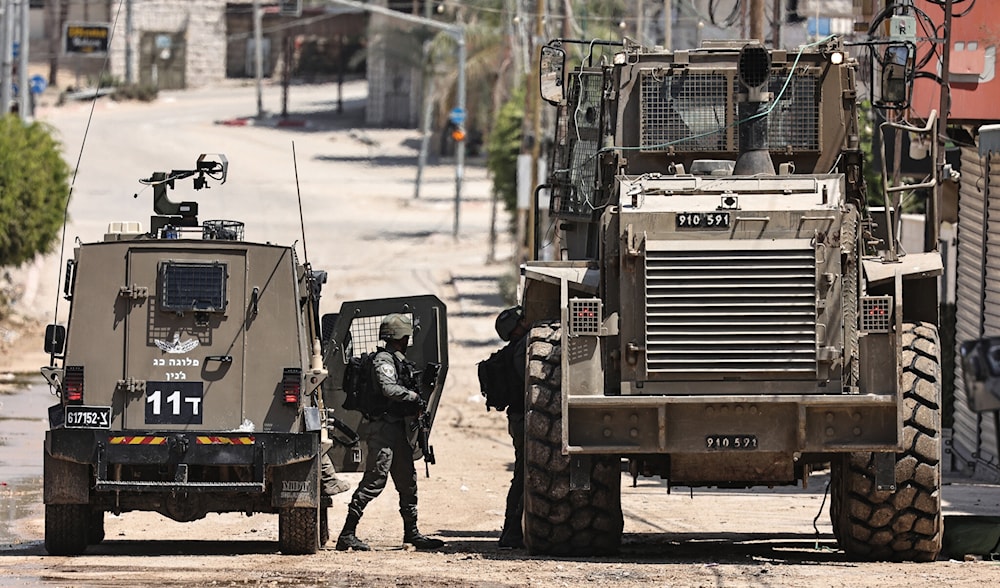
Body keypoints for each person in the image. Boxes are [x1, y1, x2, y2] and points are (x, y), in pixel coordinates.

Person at [335, 313, 444, 551]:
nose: (408, 340)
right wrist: (413, 396)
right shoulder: (383, 360)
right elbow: (388, 388)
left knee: (407, 481)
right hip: (383, 429)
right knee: (375, 479)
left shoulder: (397, 359)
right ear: (399, 336)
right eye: (406, 336)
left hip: (397, 430)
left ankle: (412, 534)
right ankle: (347, 534)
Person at [494, 306, 530, 549]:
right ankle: (511, 531)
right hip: (521, 419)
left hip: (519, 418)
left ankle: (513, 530)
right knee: (524, 474)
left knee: (524, 472)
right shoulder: (520, 352)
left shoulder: (516, 349)